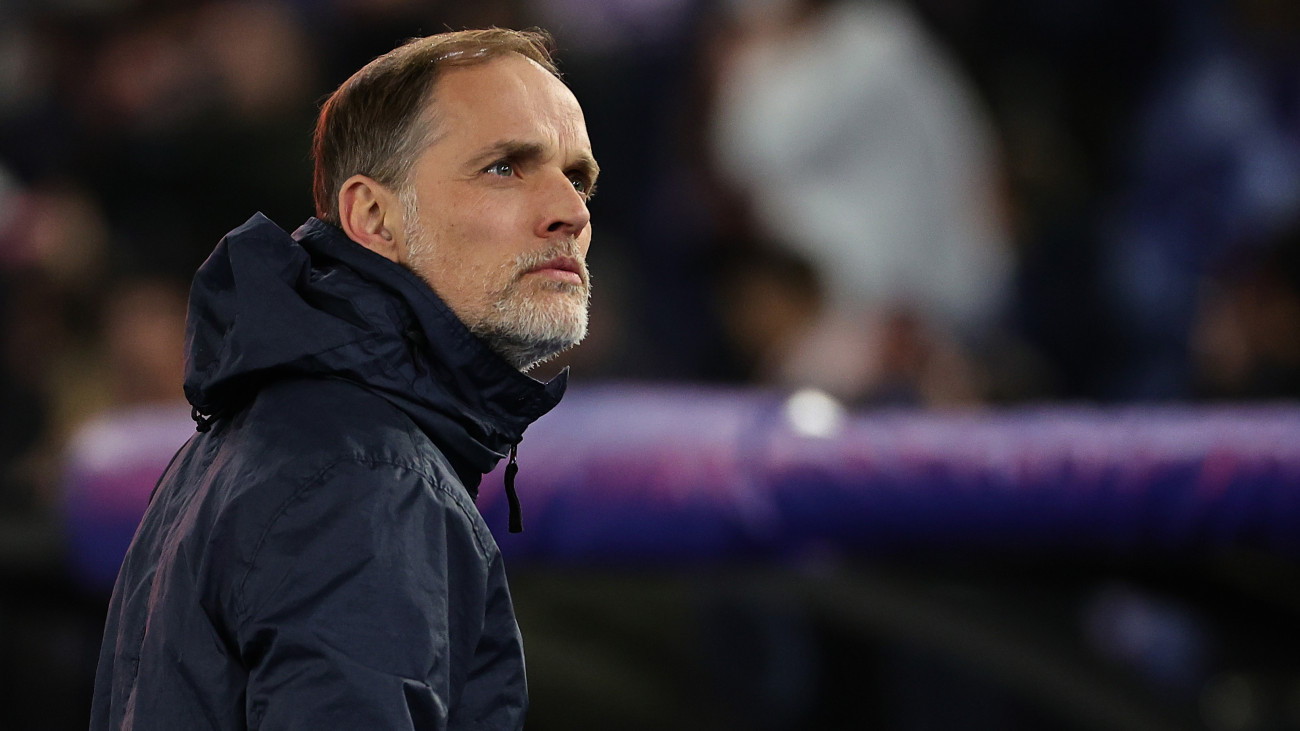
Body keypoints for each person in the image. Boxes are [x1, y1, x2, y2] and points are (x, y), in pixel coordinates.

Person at [90, 27, 598, 730]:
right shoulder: (368, 472)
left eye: (578, 177)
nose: (570, 212)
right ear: (373, 217)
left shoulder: (275, 437)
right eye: (506, 167)